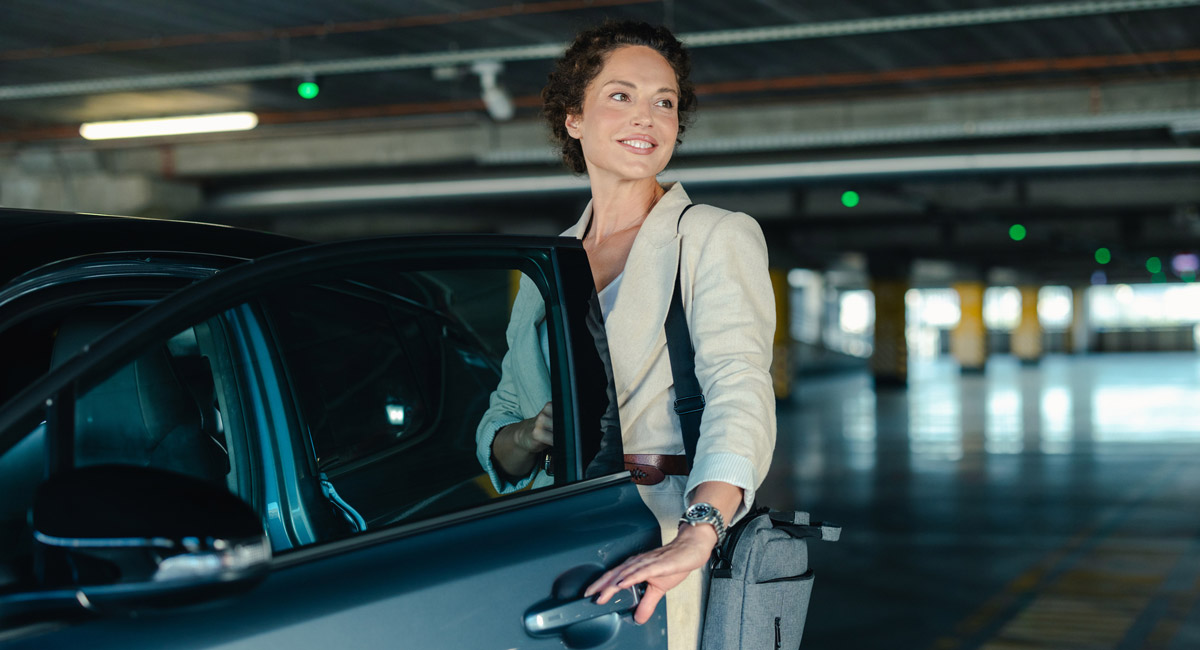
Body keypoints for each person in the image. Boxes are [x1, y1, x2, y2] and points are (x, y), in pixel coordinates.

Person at [474, 21, 776, 650]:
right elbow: (499, 423)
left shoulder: (712, 235)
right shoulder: (546, 264)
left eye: (664, 101)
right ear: (573, 119)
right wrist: (531, 435)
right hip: (552, 529)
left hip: (661, 535)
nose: (648, 116)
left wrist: (700, 531)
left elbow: (739, 386)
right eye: (621, 96)